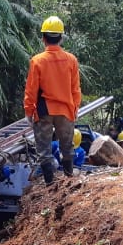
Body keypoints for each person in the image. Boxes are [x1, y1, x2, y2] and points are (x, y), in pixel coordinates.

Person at [24, 16, 81, 184]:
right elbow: (75, 89)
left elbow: (31, 89)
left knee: (44, 150)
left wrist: (28, 111)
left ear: (43, 38)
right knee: (67, 147)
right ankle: (69, 178)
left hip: (44, 111)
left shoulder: (37, 61)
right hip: (66, 110)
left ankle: (50, 184)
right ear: (61, 37)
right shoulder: (71, 60)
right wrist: (75, 109)